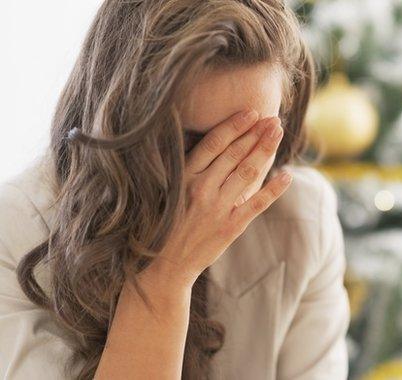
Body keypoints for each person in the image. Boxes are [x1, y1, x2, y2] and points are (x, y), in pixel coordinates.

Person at [0, 1, 350, 379]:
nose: (227, 176)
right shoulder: (14, 228)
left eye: (252, 141)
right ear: (120, 122)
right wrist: (167, 275)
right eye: (191, 142)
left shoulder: (302, 215)